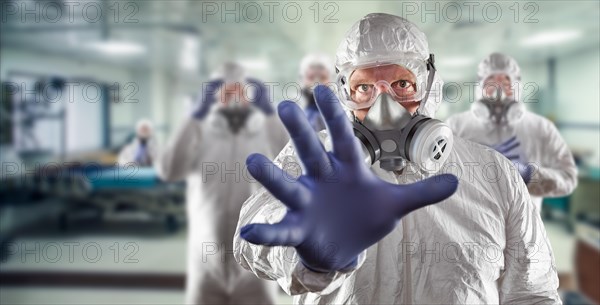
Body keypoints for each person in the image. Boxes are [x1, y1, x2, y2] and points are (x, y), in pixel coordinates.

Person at [233, 13, 561, 304]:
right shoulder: (316, 160)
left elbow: (533, 294)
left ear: (429, 85)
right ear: (345, 94)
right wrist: (309, 256)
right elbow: (249, 236)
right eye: (364, 88)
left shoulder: (493, 172)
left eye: (402, 83)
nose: (383, 106)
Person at [156, 62, 288, 304]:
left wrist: (270, 113)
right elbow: (168, 171)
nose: (232, 95)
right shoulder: (199, 132)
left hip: (256, 261)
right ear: (212, 94)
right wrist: (195, 115)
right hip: (206, 263)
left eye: (238, 88)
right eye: (224, 89)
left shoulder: (267, 132)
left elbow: (296, 167)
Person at [446, 53, 578, 212]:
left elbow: (568, 178)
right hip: (472, 225)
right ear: (479, 87)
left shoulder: (541, 127)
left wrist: (530, 176)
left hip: (524, 229)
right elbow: (437, 175)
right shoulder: (456, 125)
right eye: (491, 82)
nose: (498, 89)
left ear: (516, 87)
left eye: (505, 82)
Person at [298, 53, 334, 131]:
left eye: (323, 77)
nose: (317, 82)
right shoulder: (297, 115)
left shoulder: (343, 112)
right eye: (311, 77)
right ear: (302, 79)